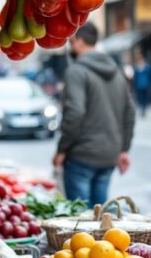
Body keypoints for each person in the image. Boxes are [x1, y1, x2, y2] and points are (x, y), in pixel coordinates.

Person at [52, 23, 136, 209]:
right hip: (109, 155)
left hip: (81, 155)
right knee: (100, 216)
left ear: (79, 41)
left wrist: (61, 149)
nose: (70, 46)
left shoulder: (76, 72)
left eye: (71, 41)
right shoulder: (117, 71)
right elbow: (129, 112)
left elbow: (75, 112)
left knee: (81, 218)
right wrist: (124, 149)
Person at [133, 48, 151, 117]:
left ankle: (143, 109)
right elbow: (135, 77)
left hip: (145, 85)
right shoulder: (137, 67)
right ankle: (142, 109)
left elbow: (150, 75)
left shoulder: (147, 66)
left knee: (145, 98)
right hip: (139, 85)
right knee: (141, 98)